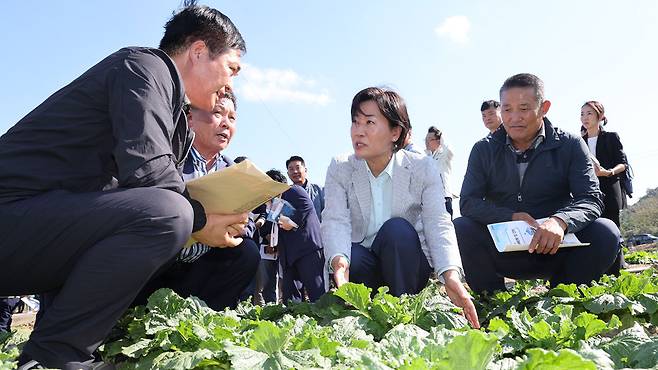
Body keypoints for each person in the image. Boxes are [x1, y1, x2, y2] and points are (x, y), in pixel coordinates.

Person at [0, 2, 248, 368]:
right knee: (169, 213)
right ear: (198, 52)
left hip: (40, 233)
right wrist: (199, 219)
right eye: (231, 68)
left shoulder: (177, 118)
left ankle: (85, 344)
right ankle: (54, 357)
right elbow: (150, 173)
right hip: (12, 216)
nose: (230, 84)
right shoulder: (145, 67)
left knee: (218, 242)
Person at [322, 87, 479, 328]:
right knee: (352, 253)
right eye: (355, 122)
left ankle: (404, 315)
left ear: (395, 132)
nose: (358, 132)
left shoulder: (422, 168)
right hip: (364, 267)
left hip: (406, 264)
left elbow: (438, 222)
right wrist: (339, 263)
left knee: (397, 230)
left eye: (369, 122)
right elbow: (335, 219)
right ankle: (364, 314)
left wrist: (451, 276)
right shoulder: (340, 167)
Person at [455, 73, 621, 295]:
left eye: (524, 108)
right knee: (461, 227)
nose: (514, 117)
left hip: (556, 248)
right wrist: (510, 217)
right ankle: (490, 299)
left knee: (606, 232)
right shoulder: (483, 149)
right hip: (505, 251)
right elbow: (468, 202)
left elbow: (590, 198)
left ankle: (562, 294)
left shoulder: (570, 144)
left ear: (544, 108)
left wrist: (560, 221)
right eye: (507, 109)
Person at [136, 92, 260, 311]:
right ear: (190, 118)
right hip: (161, 260)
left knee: (247, 252)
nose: (225, 123)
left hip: (203, 261)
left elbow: (248, 222)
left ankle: (207, 317)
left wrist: (239, 226)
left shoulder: (235, 172)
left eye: (232, 118)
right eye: (217, 113)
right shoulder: (168, 158)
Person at [581, 100, 628, 274]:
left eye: (589, 113)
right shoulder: (579, 141)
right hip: (588, 192)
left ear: (600, 116)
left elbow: (622, 164)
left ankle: (616, 271)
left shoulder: (611, 137)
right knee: (593, 230)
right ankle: (597, 269)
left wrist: (607, 172)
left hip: (609, 186)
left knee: (613, 228)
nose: (584, 117)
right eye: (582, 114)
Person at [275, 172, 326, 302]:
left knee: (316, 291)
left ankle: (324, 321)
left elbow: (306, 207)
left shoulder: (293, 190)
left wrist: (292, 223)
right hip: (289, 255)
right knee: (290, 298)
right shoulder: (274, 202)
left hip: (307, 249)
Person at [425, 126, 455, 217]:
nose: (427, 142)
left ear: (439, 141)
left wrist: (440, 135)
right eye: (426, 139)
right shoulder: (425, 157)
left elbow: (447, 148)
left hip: (444, 196)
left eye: (430, 139)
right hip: (430, 198)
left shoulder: (444, 155)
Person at [286, 156, 325, 221]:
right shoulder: (286, 193)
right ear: (288, 174)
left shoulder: (320, 190)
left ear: (305, 170)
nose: (295, 171)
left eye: (298, 168)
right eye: (291, 169)